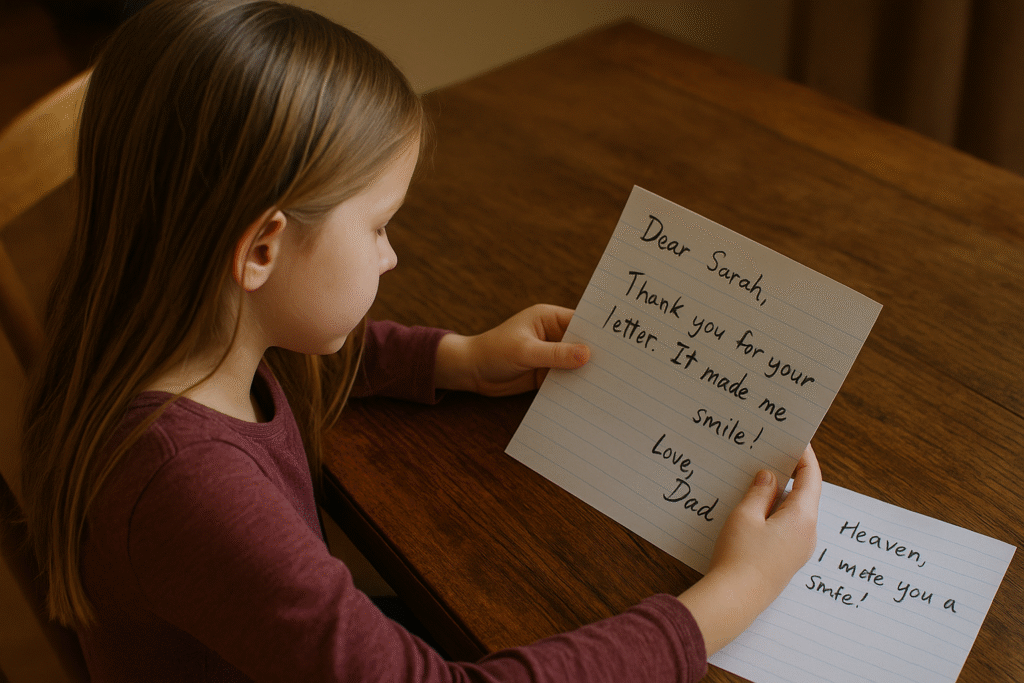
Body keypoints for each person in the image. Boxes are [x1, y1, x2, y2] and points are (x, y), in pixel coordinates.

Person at [18, 1, 822, 681]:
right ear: (261, 248)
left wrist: (455, 357)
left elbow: (302, 346)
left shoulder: (154, 330)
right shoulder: (189, 490)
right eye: (377, 225)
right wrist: (729, 597)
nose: (391, 254)